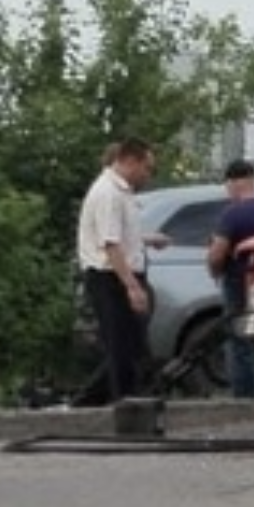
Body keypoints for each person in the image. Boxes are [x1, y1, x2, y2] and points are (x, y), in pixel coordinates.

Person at [75, 137, 158, 404]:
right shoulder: (108, 193)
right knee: (121, 347)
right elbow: (110, 244)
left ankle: (100, 399)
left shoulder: (122, 192)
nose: (148, 175)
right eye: (146, 168)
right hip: (110, 277)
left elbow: (120, 235)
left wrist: (146, 239)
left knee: (133, 345)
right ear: (130, 161)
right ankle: (122, 403)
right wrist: (132, 286)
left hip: (120, 273)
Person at [207, 159, 254, 397]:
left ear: (232, 182)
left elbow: (217, 252)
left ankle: (245, 397)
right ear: (253, 179)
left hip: (238, 283)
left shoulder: (232, 215)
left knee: (240, 342)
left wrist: (214, 270)